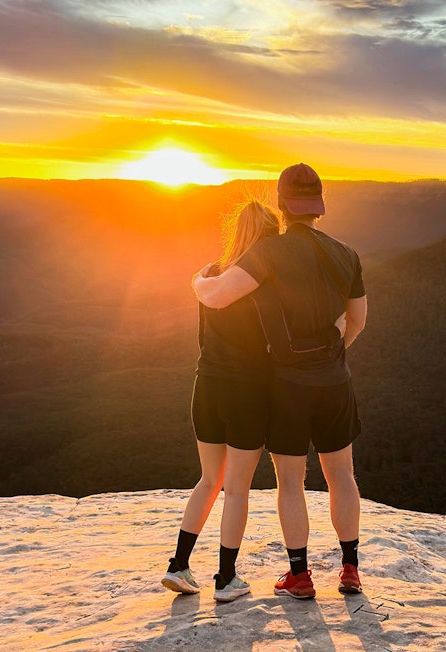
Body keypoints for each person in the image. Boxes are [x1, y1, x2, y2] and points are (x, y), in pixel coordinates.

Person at [192, 163, 368, 599]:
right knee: (341, 474)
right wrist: (329, 354)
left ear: (281, 203)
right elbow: (358, 322)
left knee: (291, 480)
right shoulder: (346, 253)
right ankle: (350, 569)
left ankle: (300, 575)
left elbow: (216, 297)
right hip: (335, 381)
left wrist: (198, 280)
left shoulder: (268, 251)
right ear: (319, 204)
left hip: (287, 387)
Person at [162, 200, 281, 603]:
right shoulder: (265, 279)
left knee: (209, 480)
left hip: (206, 386)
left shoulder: (212, 273)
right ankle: (226, 579)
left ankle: (178, 566)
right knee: (238, 488)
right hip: (247, 392)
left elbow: (202, 320)